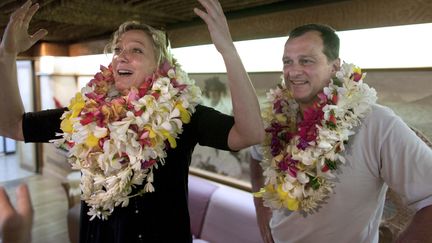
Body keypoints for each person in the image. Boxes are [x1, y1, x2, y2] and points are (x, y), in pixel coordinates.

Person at [0, 0, 264, 242]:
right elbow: (11, 125)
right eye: (117, 50)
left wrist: (228, 51)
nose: (121, 56)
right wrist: (7, 54)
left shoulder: (182, 115)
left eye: (136, 49)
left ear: (161, 65)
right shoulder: (82, 116)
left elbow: (250, 133)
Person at [249, 23, 432, 243]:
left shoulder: (376, 122)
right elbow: (256, 157)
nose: (293, 71)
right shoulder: (275, 120)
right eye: (288, 61)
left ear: (335, 67)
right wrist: (261, 210)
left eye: (306, 61)